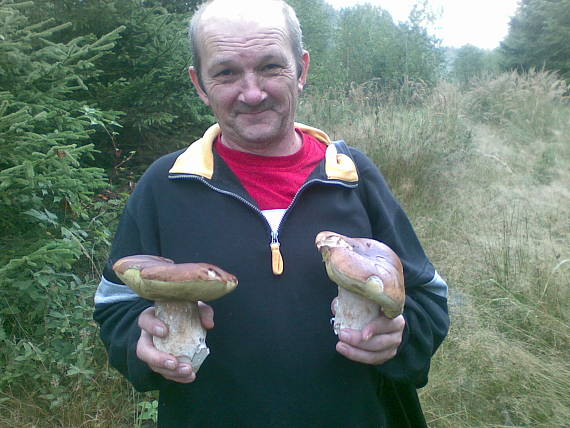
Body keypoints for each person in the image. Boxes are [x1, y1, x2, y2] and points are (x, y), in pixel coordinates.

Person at [93, 0, 449, 426]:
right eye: (226, 72)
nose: (252, 92)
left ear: (301, 70)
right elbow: (114, 304)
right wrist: (140, 340)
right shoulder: (165, 185)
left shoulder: (353, 177)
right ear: (199, 84)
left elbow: (430, 296)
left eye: (270, 67)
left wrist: (401, 334)